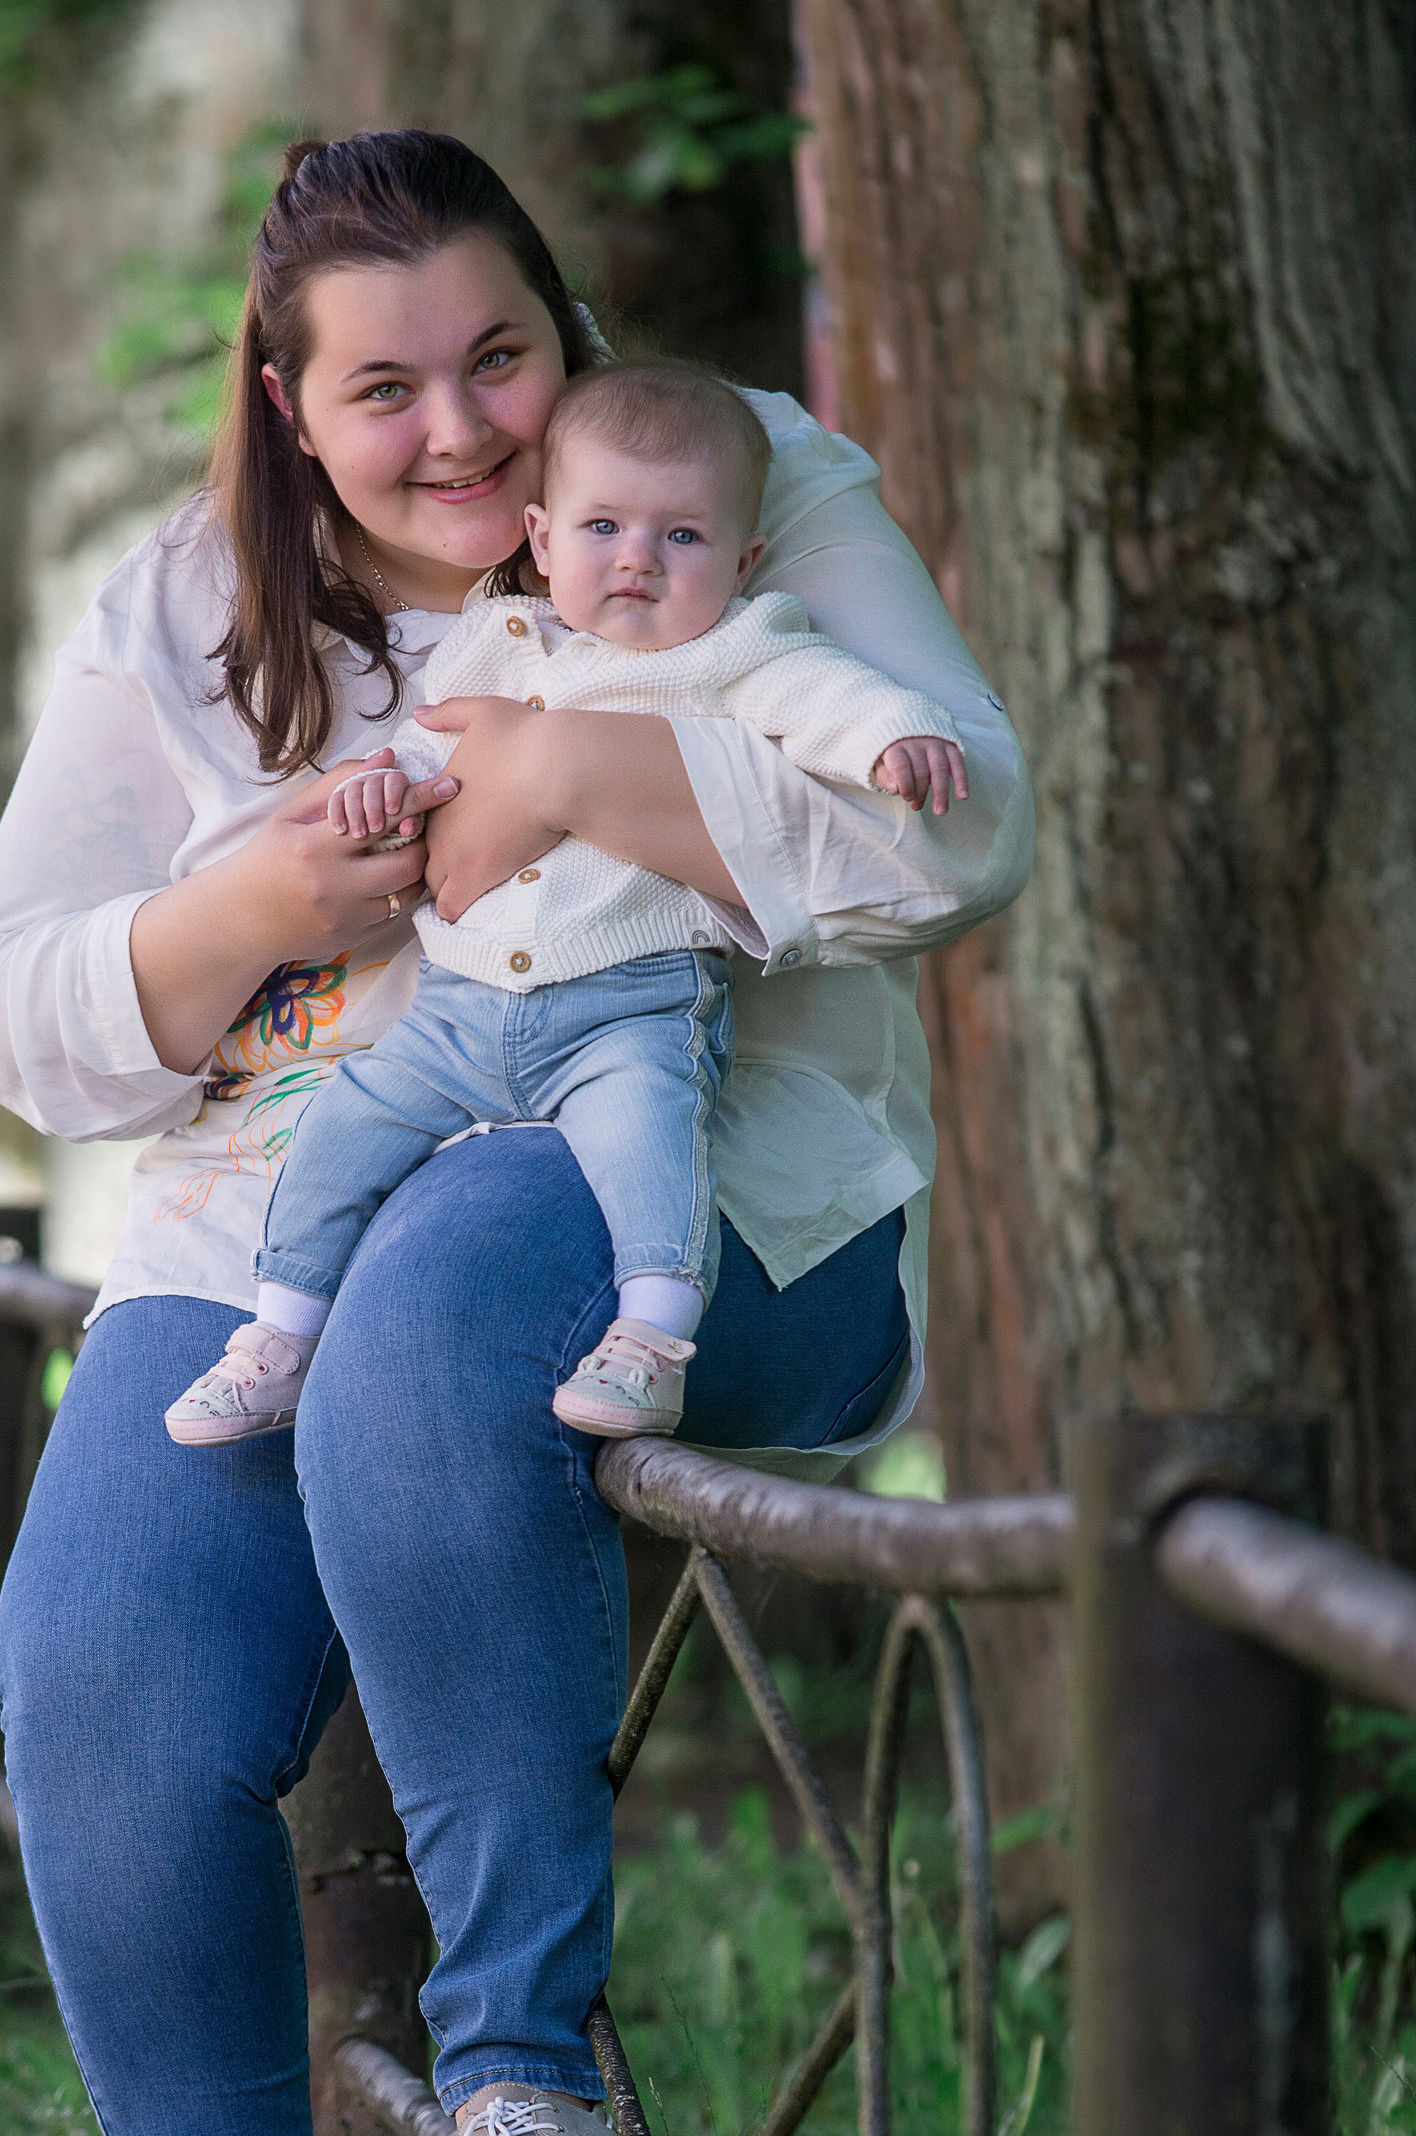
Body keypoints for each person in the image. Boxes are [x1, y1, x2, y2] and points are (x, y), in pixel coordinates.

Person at [0, 130, 1032, 2136]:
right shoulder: (185, 610)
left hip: (704, 1213)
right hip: (273, 1229)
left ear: (570, 324)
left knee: (440, 1296)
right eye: (382, 389)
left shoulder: (739, 487)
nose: (457, 435)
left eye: (500, 357)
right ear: (283, 402)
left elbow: (963, 840)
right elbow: (16, 1013)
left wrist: (556, 762)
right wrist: (232, 907)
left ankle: (521, 2074)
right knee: (97, 1679)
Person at [163, 361, 964, 1451]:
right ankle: (279, 1336)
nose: (635, 558)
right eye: (602, 526)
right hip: (459, 1008)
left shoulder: (734, 650)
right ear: (540, 541)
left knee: (651, 1145)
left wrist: (893, 733)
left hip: (628, 1008)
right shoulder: (501, 643)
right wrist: (375, 788)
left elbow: (823, 696)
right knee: (344, 1128)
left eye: (681, 538)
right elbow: (420, 748)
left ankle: (650, 1338)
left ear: (743, 560)